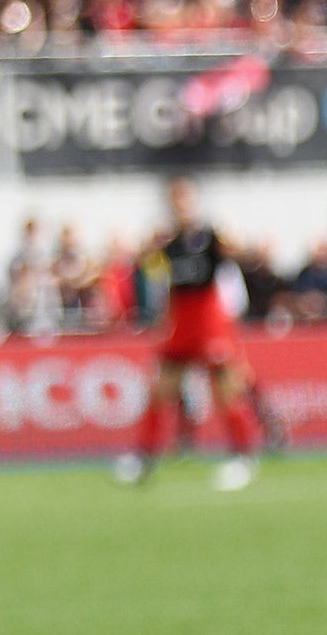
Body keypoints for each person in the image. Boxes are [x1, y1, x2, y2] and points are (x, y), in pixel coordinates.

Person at [114, 177, 269, 491]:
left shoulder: (211, 236)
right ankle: (144, 457)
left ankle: (243, 456)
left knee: (225, 388)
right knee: (161, 389)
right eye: (176, 199)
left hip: (207, 315)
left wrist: (239, 241)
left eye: (185, 198)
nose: (180, 204)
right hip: (181, 315)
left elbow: (241, 254)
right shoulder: (167, 243)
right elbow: (147, 267)